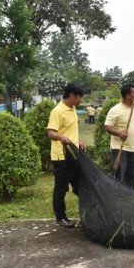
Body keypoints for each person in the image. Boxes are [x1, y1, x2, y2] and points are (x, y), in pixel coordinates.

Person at [47, 82, 86, 228]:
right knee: (61, 187)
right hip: (61, 156)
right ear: (71, 95)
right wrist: (61, 138)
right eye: (79, 97)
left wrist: (79, 140)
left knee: (79, 185)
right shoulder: (57, 111)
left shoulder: (73, 108)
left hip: (73, 155)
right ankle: (60, 217)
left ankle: (86, 214)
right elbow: (51, 133)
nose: (81, 100)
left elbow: (71, 129)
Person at [104, 84, 134, 189]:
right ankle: (116, 197)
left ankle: (130, 197)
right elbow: (107, 127)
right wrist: (120, 133)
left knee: (133, 175)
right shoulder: (115, 110)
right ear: (128, 95)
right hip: (119, 148)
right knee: (119, 175)